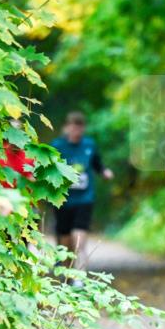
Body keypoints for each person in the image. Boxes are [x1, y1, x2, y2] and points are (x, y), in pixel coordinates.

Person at [51, 111, 113, 272]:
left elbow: (97, 163)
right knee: (65, 242)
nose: (76, 131)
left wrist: (104, 172)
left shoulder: (89, 145)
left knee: (79, 237)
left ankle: (79, 277)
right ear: (66, 128)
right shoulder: (57, 146)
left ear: (83, 128)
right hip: (62, 199)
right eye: (73, 127)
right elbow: (48, 169)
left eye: (80, 127)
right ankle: (67, 276)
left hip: (84, 199)